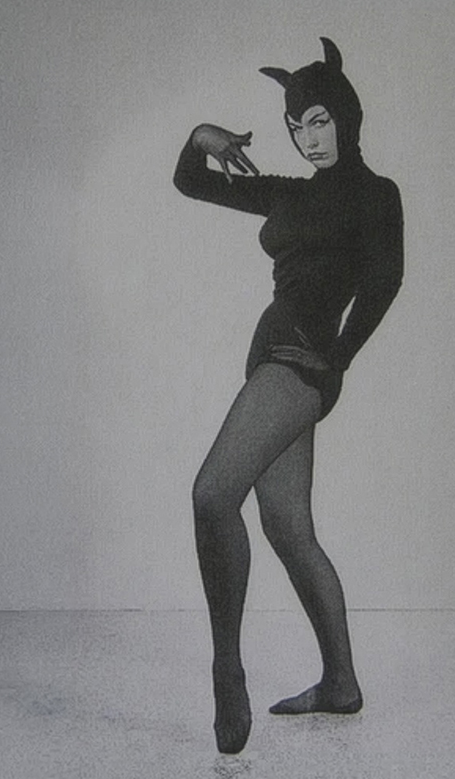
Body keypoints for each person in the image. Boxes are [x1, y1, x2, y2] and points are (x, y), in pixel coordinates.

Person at [173, 37, 404, 754]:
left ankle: (226, 667)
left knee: (212, 495)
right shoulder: (290, 192)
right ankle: (341, 684)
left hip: (300, 362)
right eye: (296, 127)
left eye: (319, 121)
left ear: (346, 116)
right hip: (270, 359)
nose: (309, 139)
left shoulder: (378, 193)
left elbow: (385, 282)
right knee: (288, 528)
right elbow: (191, 184)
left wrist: (337, 362)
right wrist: (200, 137)